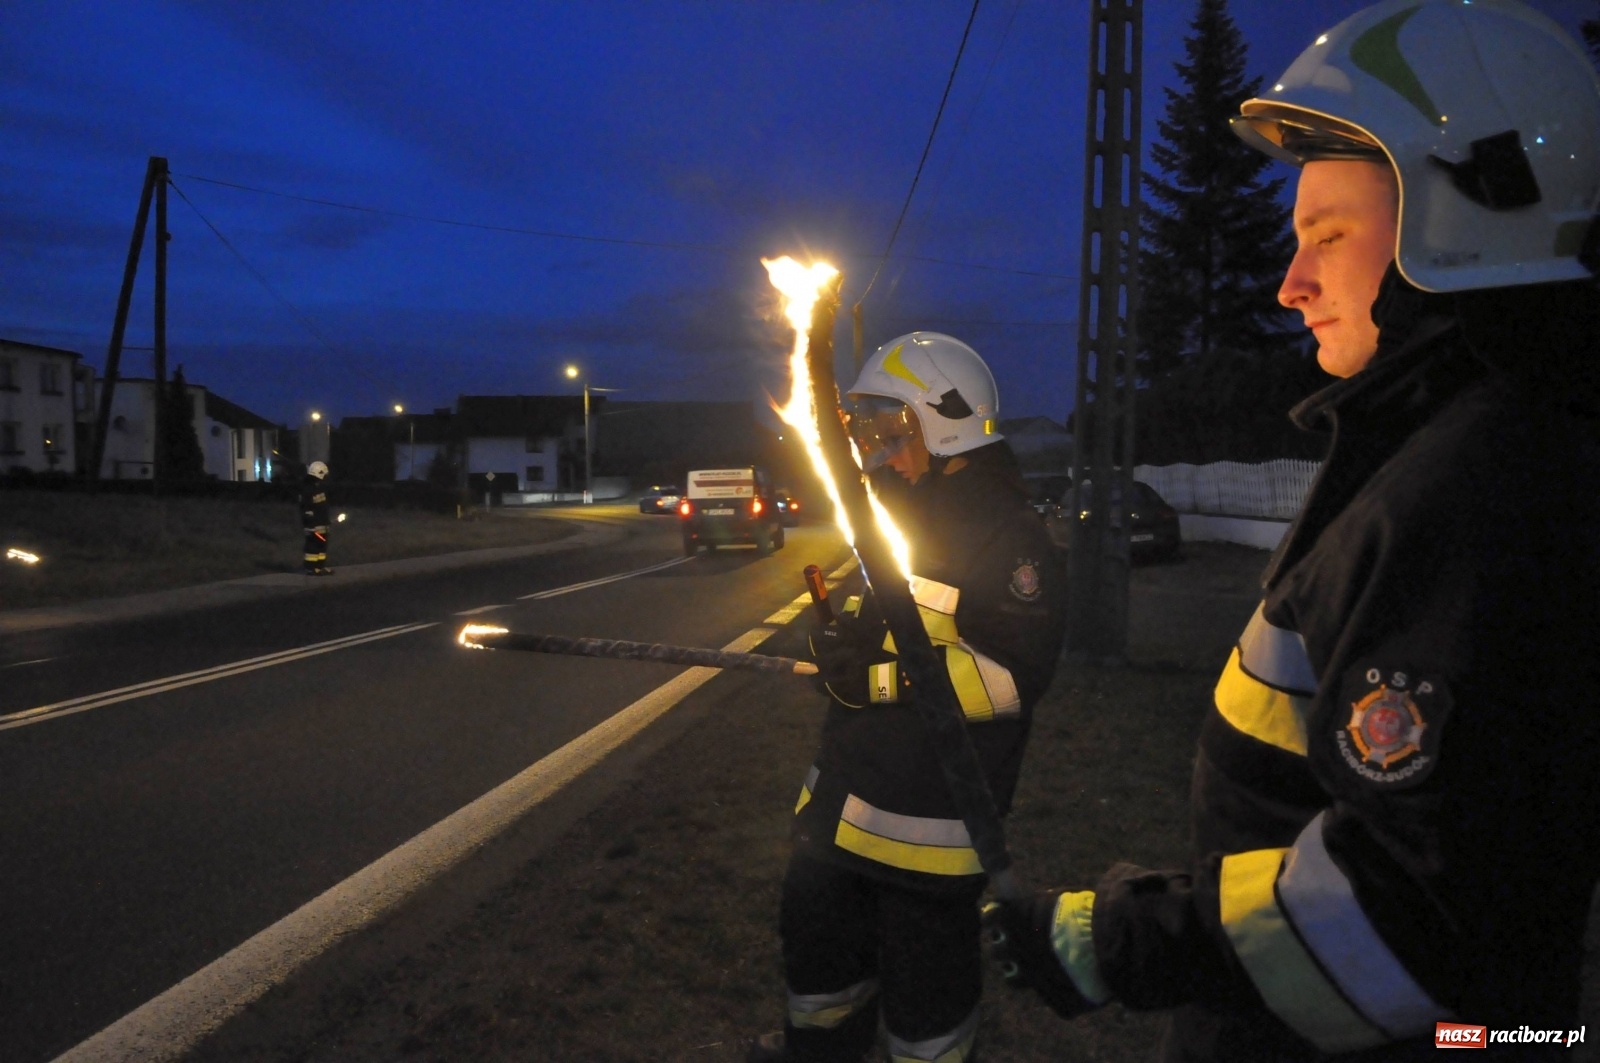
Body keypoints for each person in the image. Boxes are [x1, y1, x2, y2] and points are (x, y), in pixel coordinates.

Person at [983, 1, 1600, 1059]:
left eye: (1325, 237)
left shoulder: (1478, 495)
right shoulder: (1444, 448)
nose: (1288, 283)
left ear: (1461, 224)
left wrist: (1112, 940)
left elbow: (1411, 926)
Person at [747, 333, 1067, 1063]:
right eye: (872, 430)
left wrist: (880, 679)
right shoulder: (904, 511)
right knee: (820, 987)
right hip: (837, 813)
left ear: (944, 421)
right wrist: (837, 639)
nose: (882, 450)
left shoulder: (1010, 538)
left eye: (894, 430)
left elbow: (1012, 677)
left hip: (928, 837)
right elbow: (889, 615)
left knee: (929, 1022)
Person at [300, 461, 333, 576]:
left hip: (322, 524)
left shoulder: (319, 488)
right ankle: (311, 568)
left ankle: (320, 566)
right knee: (312, 547)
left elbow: (323, 507)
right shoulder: (308, 490)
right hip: (313, 526)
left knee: (322, 546)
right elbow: (306, 509)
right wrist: (309, 526)